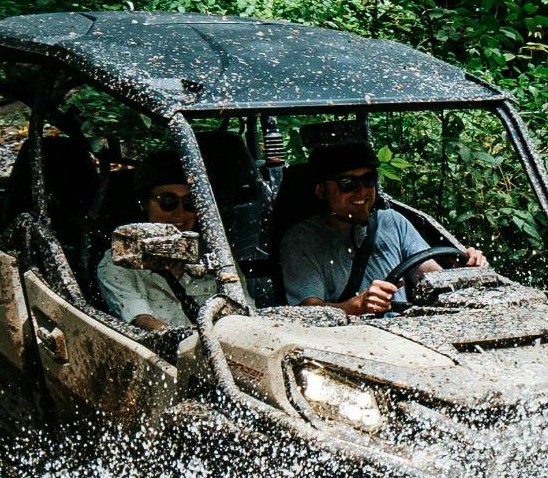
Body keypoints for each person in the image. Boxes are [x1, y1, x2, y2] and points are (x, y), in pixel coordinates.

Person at [273, 131, 484, 315]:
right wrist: (356, 306)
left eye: (369, 180)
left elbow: (432, 279)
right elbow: (308, 312)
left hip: (408, 332)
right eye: (348, 183)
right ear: (321, 190)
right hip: (347, 345)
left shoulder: (393, 222)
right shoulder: (300, 240)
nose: (362, 191)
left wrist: (464, 271)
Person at [94, 133, 247, 348]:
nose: (180, 214)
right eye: (168, 202)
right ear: (145, 205)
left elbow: (244, 312)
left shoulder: (216, 256)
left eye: (189, 202)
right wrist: (198, 344)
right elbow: (140, 319)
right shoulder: (118, 261)